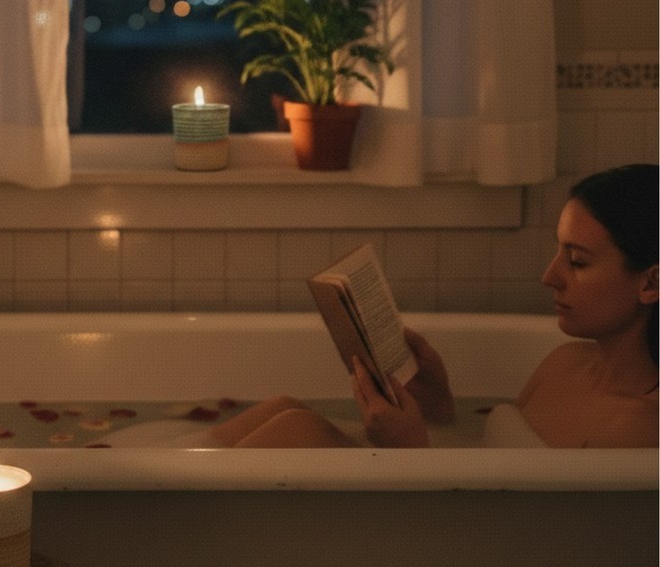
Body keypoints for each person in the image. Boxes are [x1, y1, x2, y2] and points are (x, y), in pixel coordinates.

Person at [212, 164, 659, 449]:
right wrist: (439, 413)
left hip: (457, 557)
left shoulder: (638, 428)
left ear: (651, 282)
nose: (550, 276)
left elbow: (516, 552)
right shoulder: (565, 365)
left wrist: (412, 455)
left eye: (577, 261)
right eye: (559, 252)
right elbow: (492, 471)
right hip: (451, 514)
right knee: (282, 410)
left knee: (296, 434)